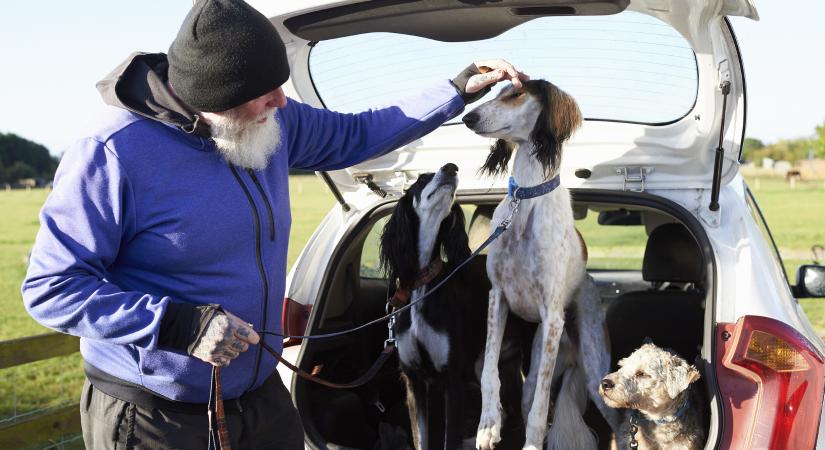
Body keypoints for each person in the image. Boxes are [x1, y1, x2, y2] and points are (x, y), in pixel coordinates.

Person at [21, 0, 527, 448]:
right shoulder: (111, 153)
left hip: (260, 400)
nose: (282, 102)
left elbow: (359, 132)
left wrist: (454, 91)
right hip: (157, 417)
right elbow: (51, 288)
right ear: (214, 97)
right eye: (265, 92)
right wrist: (179, 324)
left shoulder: (268, 121)